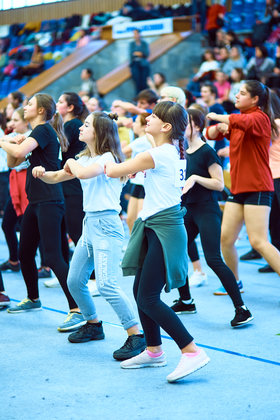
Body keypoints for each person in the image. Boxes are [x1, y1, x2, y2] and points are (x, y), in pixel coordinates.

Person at [105, 101, 210, 383]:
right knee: (141, 290)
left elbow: (113, 171)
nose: (146, 118)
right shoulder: (166, 152)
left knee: (149, 297)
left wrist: (89, 158)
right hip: (155, 225)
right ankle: (154, 351)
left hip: (165, 228)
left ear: (165, 127)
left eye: (152, 115)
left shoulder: (159, 153)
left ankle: (191, 350)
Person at [32, 111, 146, 361]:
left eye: (86, 125)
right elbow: (58, 176)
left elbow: (79, 173)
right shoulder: (84, 157)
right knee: (74, 282)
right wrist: (41, 171)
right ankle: (93, 324)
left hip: (106, 226)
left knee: (106, 284)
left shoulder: (108, 158)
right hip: (90, 225)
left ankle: (136, 335)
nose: (80, 128)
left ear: (99, 132)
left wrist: (70, 162)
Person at [0, 93, 84, 333]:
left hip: (50, 201)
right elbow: (14, 162)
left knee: (53, 257)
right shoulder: (35, 134)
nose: (25, 107)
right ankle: (33, 298)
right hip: (36, 202)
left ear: (39, 111)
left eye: (29, 104)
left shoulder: (43, 131)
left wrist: (5, 141)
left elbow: (18, 152)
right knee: (25, 252)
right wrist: (12, 144)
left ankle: (76, 309)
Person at [170, 108, 253, 327]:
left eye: (184, 123)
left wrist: (197, 178)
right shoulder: (180, 150)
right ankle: (186, 300)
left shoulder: (207, 151)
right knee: (177, 252)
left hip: (206, 209)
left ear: (196, 126)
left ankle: (241, 309)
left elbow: (219, 184)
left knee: (213, 258)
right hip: (187, 209)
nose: (180, 128)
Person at [206, 80, 280, 293]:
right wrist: (216, 127)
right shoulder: (238, 123)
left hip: (258, 187)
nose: (236, 96)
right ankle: (235, 282)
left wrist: (218, 117)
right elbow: (212, 133)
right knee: (226, 239)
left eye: (242, 93)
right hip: (238, 189)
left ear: (255, 99)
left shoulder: (260, 118)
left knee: (259, 241)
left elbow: (238, 121)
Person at [0, 107, 31, 274]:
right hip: (15, 181)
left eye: (16, 120)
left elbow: (22, 158)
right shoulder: (11, 137)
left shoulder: (34, 136)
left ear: (26, 121)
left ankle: (45, 265)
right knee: (7, 223)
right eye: (11, 120)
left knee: (31, 225)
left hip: (28, 181)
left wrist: (6, 144)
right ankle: (14, 259)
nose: (11, 124)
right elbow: (13, 160)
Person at [122, 112, 154, 232]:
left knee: (140, 220)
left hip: (144, 183)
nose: (133, 125)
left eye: (136, 122)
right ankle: (134, 246)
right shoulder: (140, 140)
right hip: (137, 182)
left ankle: (140, 248)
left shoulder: (143, 140)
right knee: (130, 219)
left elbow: (123, 152)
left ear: (143, 126)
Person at [129, 29, 150, 94]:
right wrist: (140, 53)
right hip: (135, 64)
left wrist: (137, 53)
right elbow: (131, 54)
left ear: (139, 34)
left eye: (136, 33)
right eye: (134, 34)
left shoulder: (144, 43)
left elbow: (146, 53)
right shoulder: (131, 44)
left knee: (144, 83)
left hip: (144, 65)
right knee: (137, 83)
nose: (135, 35)